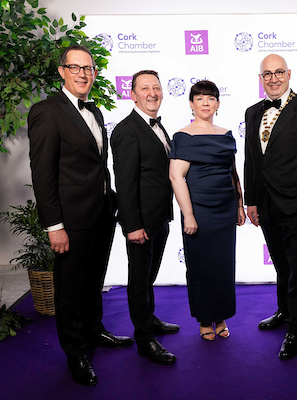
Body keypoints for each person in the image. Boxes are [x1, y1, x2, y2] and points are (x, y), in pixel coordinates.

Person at [28, 45, 133, 386]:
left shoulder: (96, 112)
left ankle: (94, 331)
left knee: (92, 281)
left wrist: (112, 202)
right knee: (70, 289)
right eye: (75, 67)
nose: (83, 74)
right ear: (62, 71)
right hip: (70, 221)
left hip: (101, 214)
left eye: (88, 68)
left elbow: (96, 166)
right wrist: (54, 226)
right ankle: (75, 353)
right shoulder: (47, 112)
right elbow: (43, 174)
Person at [244, 54, 297, 359]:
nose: (273, 78)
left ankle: (296, 328)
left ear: (289, 74)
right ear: (261, 79)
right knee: (281, 265)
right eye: (267, 74)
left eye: (279, 72)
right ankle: (284, 310)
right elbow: (252, 160)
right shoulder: (252, 112)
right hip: (266, 204)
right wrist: (251, 200)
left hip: (296, 203)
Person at [110, 70, 179, 366]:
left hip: (160, 217)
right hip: (140, 223)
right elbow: (124, 183)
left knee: (148, 277)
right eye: (145, 88)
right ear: (133, 95)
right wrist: (133, 225)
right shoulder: (127, 130)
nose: (152, 93)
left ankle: (148, 319)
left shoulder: (158, 126)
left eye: (156, 87)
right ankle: (144, 339)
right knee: (139, 281)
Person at [169, 80, 245, 341]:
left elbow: (233, 172)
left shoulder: (226, 134)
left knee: (223, 266)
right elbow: (176, 177)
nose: (205, 103)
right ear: (191, 104)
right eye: (199, 98)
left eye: (210, 98)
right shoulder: (183, 136)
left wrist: (239, 204)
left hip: (225, 208)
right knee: (201, 266)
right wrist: (188, 215)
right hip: (198, 209)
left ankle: (221, 317)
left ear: (218, 104)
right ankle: (204, 319)